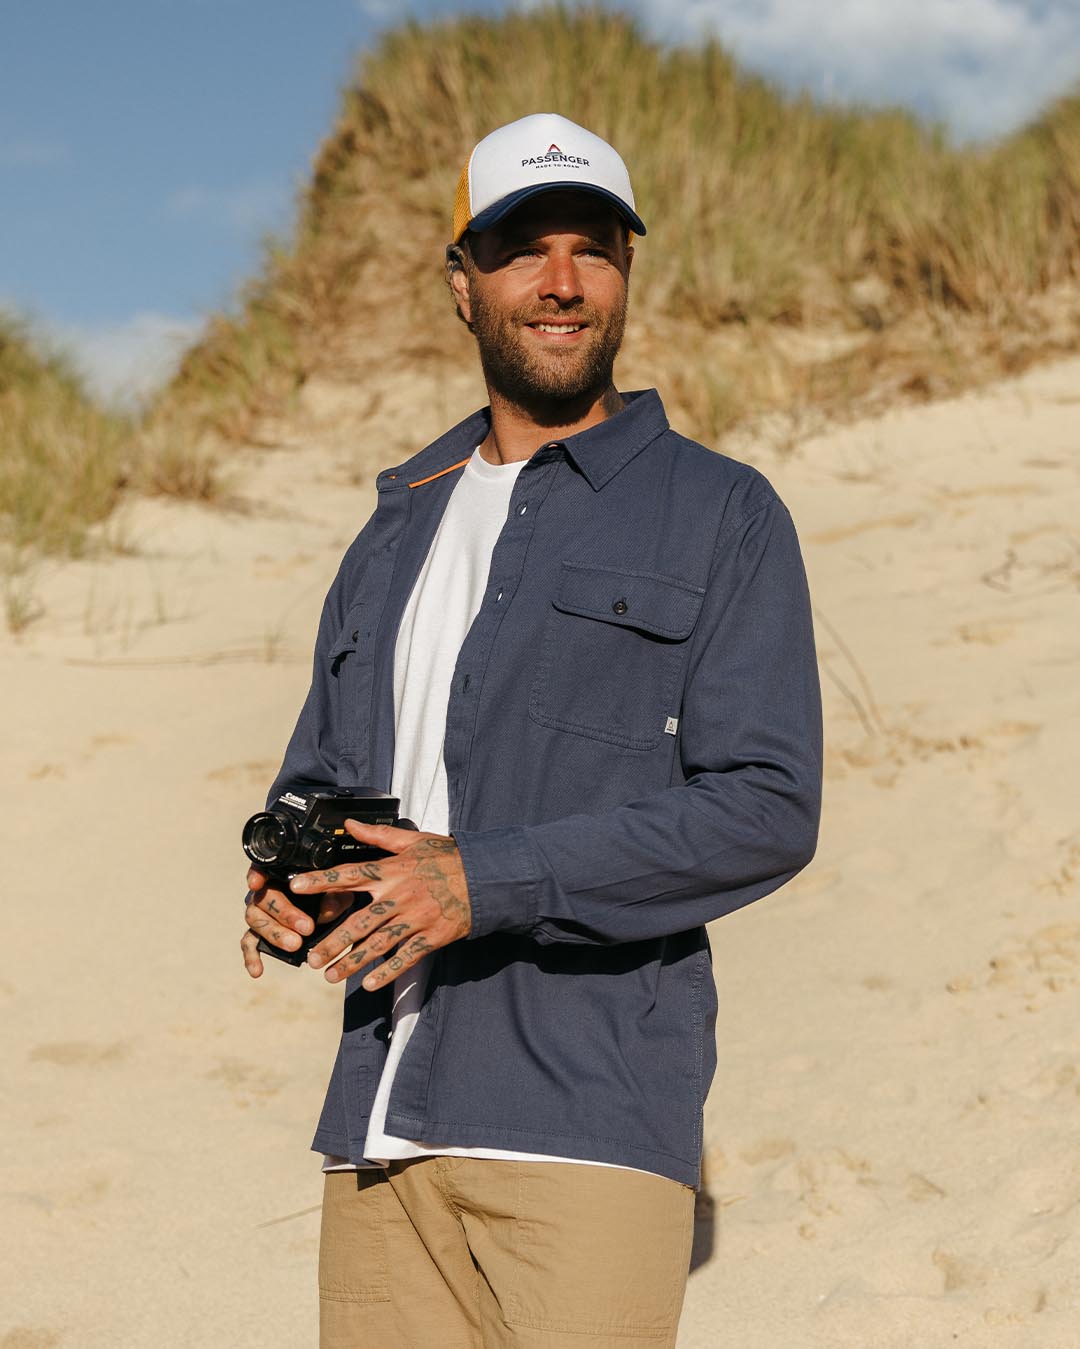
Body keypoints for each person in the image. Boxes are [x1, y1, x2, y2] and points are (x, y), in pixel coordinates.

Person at [241, 112, 822, 1348]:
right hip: (378, 1131)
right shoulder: (396, 523)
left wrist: (487, 879)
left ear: (625, 274)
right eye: (522, 249)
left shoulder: (722, 512)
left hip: (584, 1123)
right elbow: (323, 779)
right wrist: (290, 883)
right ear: (463, 283)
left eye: (593, 249)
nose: (563, 282)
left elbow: (766, 804)